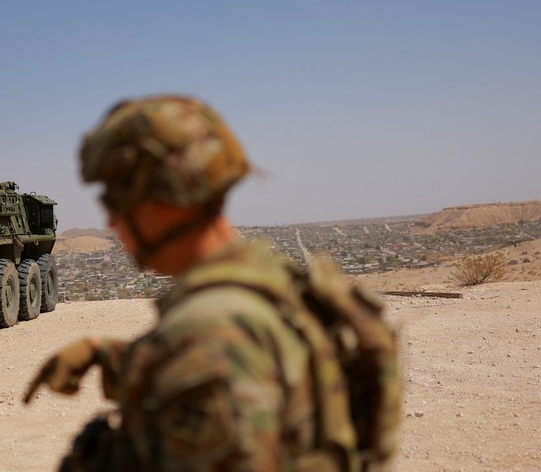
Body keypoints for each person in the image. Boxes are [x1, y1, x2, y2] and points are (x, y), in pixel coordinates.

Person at [24, 95, 401, 471]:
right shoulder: (277, 281)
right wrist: (103, 351)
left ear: (159, 203)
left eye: (114, 202)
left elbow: (216, 362)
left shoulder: (210, 334)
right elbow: (264, 369)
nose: (110, 223)